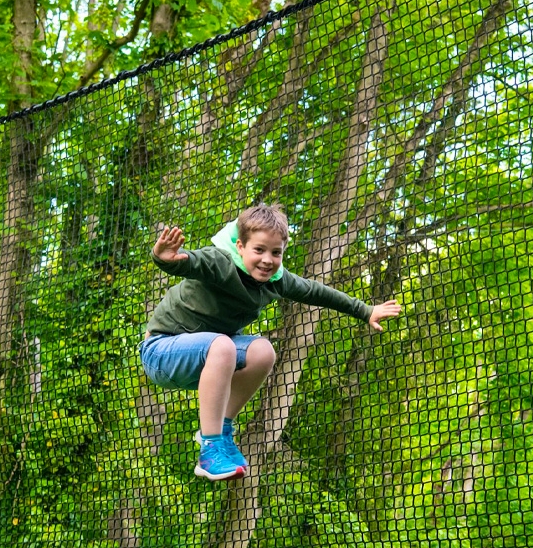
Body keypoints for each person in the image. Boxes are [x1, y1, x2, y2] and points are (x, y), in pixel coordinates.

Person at [141, 203, 402, 481]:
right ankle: (210, 447)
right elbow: (190, 262)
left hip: (210, 360)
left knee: (263, 351)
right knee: (223, 345)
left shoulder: (276, 281)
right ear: (240, 246)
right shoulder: (220, 262)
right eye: (259, 250)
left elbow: (317, 292)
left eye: (276, 253)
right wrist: (164, 258)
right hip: (162, 351)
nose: (267, 260)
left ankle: (221, 428)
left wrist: (365, 310)